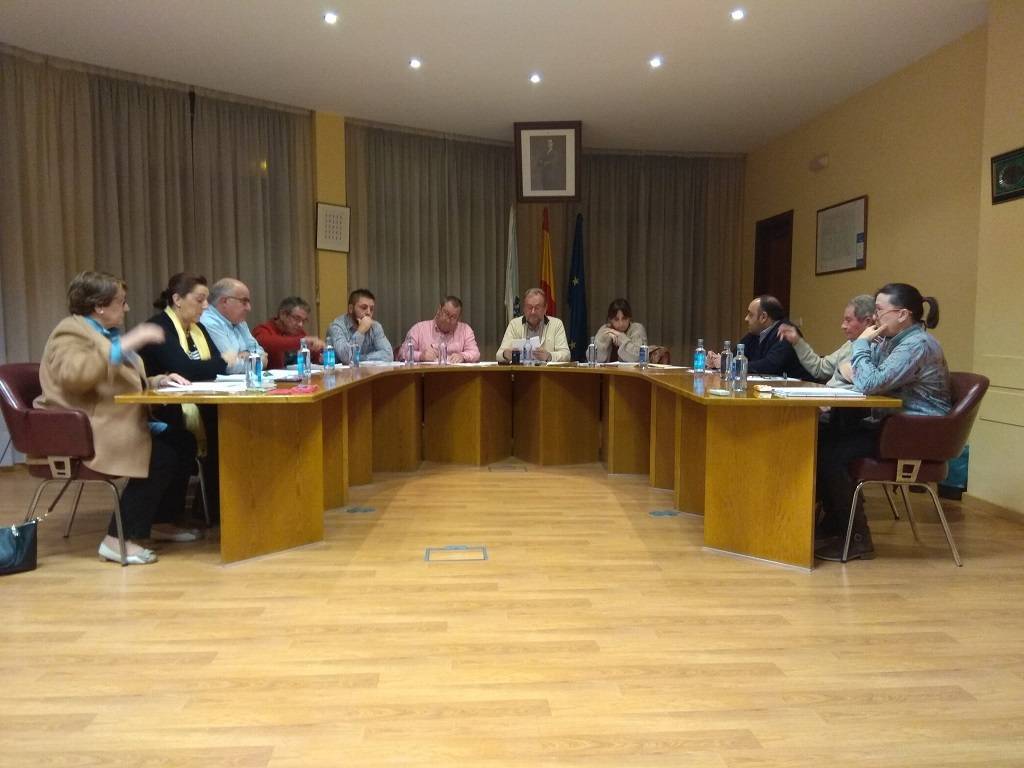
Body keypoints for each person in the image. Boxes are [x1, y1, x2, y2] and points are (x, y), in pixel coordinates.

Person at [35, 271, 198, 565]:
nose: (126, 308)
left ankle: (159, 522)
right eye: (121, 302)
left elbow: (119, 380)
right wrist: (128, 343)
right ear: (99, 306)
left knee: (182, 441)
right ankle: (116, 540)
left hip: (114, 420)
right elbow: (76, 376)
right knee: (159, 457)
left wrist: (159, 380)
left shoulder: (105, 334)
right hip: (88, 429)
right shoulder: (69, 333)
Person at [814, 283, 952, 562]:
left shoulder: (916, 345)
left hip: (915, 433)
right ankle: (836, 524)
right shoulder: (892, 342)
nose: (874, 318)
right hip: (893, 425)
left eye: (879, 311)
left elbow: (868, 381)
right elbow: (856, 373)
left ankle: (857, 538)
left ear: (902, 314)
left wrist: (862, 344)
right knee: (822, 437)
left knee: (831, 452)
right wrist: (866, 358)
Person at [139, 273, 229, 523]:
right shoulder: (160, 327)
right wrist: (219, 362)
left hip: (196, 399)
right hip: (159, 407)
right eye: (200, 300)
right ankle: (208, 509)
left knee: (228, 424)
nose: (206, 306)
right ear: (177, 299)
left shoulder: (198, 329)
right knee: (214, 428)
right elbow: (189, 369)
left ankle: (216, 506)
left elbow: (218, 366)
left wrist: (217, 363)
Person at [776, 294, 875, 386]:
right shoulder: (849, 344)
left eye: (848, 320)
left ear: (867, 322)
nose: (843, 326)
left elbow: (867, 385)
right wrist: (797, 341)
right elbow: (820, 369)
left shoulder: (877, 349)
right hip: (830, 395)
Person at [707, 295, 811, 380]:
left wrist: (729, 364)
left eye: (750, 314)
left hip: (796, 392)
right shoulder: (755, 333)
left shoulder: (787, 333)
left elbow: (769, 365)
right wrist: (718, 360)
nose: (746, 318)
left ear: (763, 317)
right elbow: (736, 355)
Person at [199, 278, 267, 374]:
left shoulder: (240, 322)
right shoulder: (209, 322)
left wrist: (246, 355)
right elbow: (230, 366)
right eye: (244, 302)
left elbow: (262, 354)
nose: (249, 308)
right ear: (224, 301)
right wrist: (254, 359)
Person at [496, 287, 571, 363]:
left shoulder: (556, 324)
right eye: (529, 307)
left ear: (545, 308)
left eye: (537, 308)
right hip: (521, 370)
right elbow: (498, 355)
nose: (533, 312)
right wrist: (505, 354)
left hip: (546, 370)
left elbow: (566, 355)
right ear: (524, 308)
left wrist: (549, 356)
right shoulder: (514, 324)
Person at [398, 296, 480, 363]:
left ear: (459, 318)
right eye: (446, 314)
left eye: (453, 317)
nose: (448, 320)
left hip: (456, 375)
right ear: (439, 310)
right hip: (426, 375)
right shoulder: (419, 329)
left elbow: (475, 353)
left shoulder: (465, 330)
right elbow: (402, 353)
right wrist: (421, 356)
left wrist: (462, 356)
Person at [253, 296, 325, 369]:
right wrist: (301, 342)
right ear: (283, 315)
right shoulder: (263, 330)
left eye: (304, 321)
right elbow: (264, 342)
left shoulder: (299, 332)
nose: (300, 324)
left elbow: (315, 358)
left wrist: (320, 352)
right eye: (297, 318)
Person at [327, 289, 394, 364]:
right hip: (341, 371)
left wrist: (359, 358)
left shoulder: (375, 326)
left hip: (367, 370)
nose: (368, 312)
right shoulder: (337, 327)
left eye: (371, 309)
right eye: (364, 308)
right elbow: (346, 358)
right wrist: (361, 331)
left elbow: (388, 355)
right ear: (351, 309)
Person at [594, 298, 647, 363]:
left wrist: (621, 338)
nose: (621, 324)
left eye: (624, 318)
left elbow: (638, 358)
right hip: (608, 369)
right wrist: (602, 341)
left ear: (630, 318)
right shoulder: (605, 329)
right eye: (616, 319)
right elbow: (593, 359)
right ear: (610, 320)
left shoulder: (637, 328)